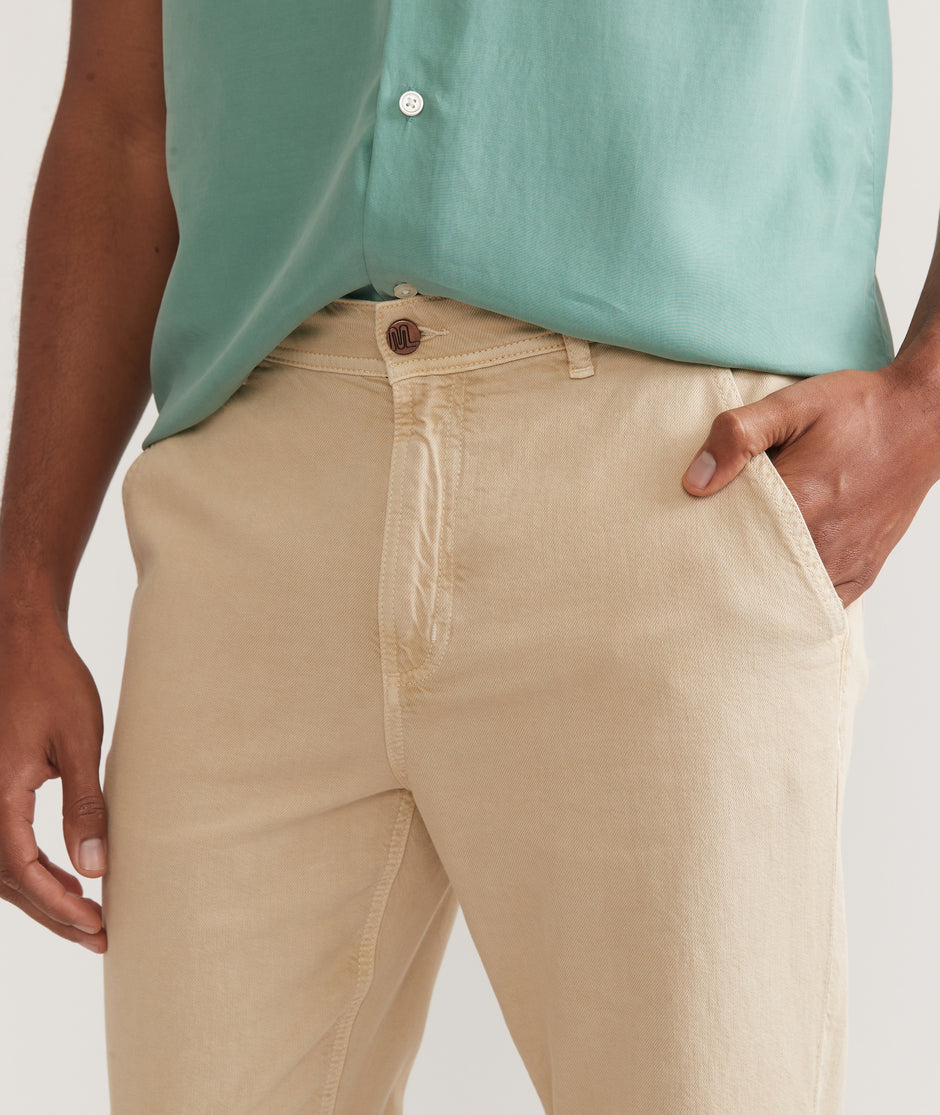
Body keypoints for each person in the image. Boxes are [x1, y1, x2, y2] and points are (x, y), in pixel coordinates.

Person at [0, 0, 937, 1111]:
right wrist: (24, 595)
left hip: (674, 475)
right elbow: (120, 117)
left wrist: (925, 402)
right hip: (255, 497)